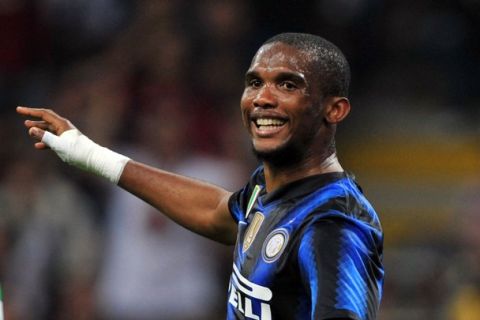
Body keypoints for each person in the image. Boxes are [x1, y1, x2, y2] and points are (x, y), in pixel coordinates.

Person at [17, 32, 384, 320]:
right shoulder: (270, 187)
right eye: (255, 83)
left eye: (288, 85)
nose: (262, 98)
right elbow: (217, 212)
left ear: (334, 109)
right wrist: (92, 155)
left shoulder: (333, 222)